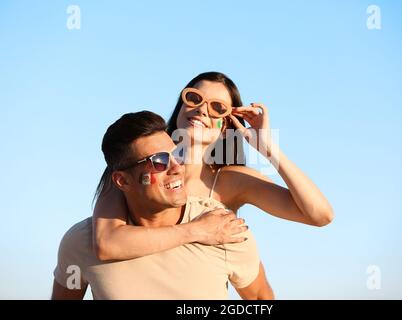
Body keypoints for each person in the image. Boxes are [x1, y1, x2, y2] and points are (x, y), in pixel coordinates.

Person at [93, 72, 334, 262]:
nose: (201, 110)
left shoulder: (233, 182)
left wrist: (267, 147)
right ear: (181, 105)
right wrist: (197, 230)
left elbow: (320, 215)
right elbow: (107, 244)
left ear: (226, 125)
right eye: (194, 99)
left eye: (217, 108)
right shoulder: (136, 168)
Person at [52, 111, 273, 299]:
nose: (177, 167)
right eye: (159, 161)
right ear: (123, 181)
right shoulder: (79, 244)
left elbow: (261, 299)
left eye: (177, 154)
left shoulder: (224, 230)